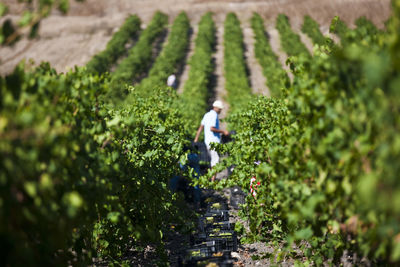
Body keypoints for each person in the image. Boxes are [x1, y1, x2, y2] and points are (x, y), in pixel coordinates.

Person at [194, 100, 229, 181]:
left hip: (207, 141)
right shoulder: (214, 115)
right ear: (215, 108)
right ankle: (212, 180)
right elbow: (212, 128)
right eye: (220, 109)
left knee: (210, 161)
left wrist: (196, 139)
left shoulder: (206, 115)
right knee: (215, 161)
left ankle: (209, 178)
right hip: (214, 142)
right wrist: (223, 131)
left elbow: (200, 127)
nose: (220, 110)